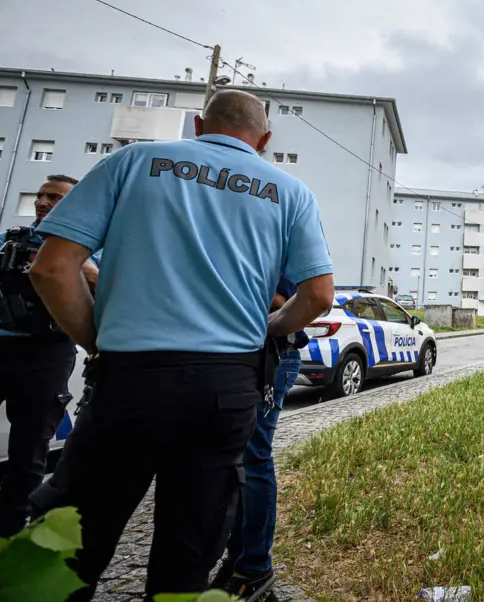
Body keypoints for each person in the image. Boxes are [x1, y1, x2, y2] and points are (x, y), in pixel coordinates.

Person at [29, 89, 334, 601]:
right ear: (264, 139)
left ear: (197, 124)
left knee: (71, 547)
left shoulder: (132, 161)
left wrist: (96, 341)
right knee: (189, 553)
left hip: (129, 381)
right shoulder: (290, 190)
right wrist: (272, 327)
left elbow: (51, 267)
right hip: (227, 386)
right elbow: (319, 294)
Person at [0, 175, 99, 537]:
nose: (42, 202)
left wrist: (80, 267)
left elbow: (104, 288)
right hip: (4, 344)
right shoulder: (11, 240)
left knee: (28, 451)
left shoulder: (88, 247)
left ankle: (10, 537)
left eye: (54, 197)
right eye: (41, 195)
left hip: (48, 353)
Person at [212, 275, 306, 601]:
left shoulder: (273, 236)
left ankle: (254, 567)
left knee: (254, 456)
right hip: (242, 354)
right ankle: (237, 558)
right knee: (236, 459)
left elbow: (300, 299)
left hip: (273, 355)